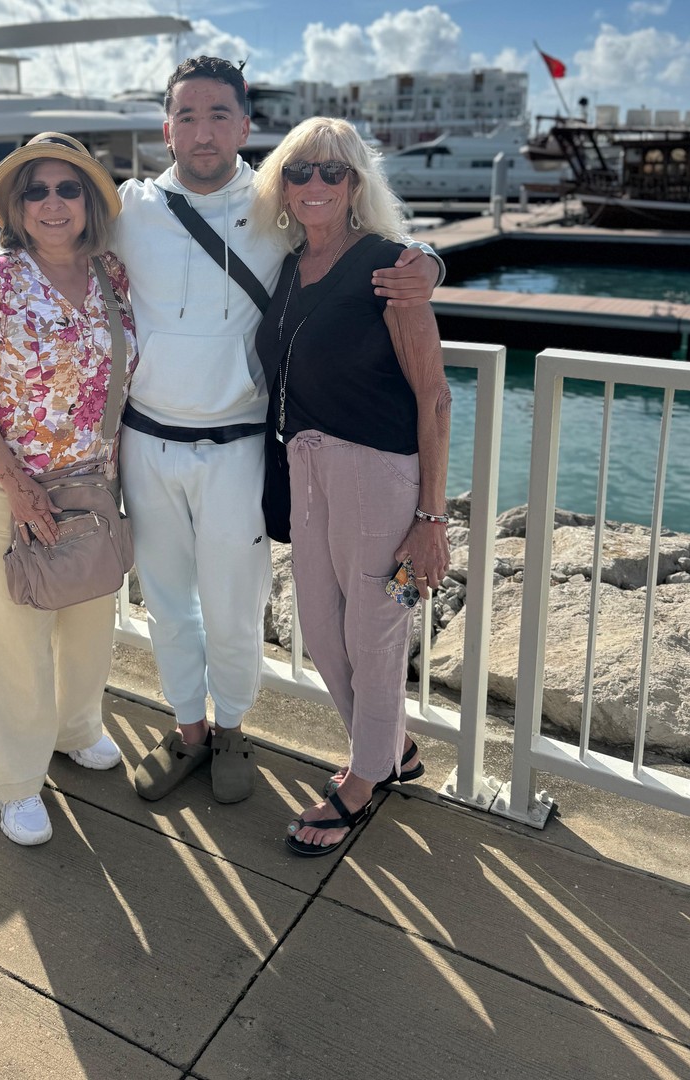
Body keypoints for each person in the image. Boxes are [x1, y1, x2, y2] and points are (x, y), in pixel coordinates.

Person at [0, 57, 444, 809]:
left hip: (240, 446)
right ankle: (188, 728)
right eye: (187, 116)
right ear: (166, 128)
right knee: (168, 604)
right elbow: (48, 241)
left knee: (237, 606)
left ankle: (234, 727)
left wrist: (429, 263)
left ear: (245, 126)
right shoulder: (131, 209)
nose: (203, 132)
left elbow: (357, 237)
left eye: (219, 116)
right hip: (145, 444)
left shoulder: (276, 203)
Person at [252, 117, 451, 856]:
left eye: (332, 171)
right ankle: (394, 748)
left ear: (355, 184)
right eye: (299, 171)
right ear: (281, 183)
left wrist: (432, 517)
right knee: (321, 625)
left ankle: (366, 777)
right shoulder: (287, 265)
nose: (315, 184)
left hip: (378, 472)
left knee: (375, 631)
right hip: (305, 466)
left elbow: (434, 396)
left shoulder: (389, 266)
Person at [0, 133, 138, 846]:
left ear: (89, 202)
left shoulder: (111, 272)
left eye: (68, 189)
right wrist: (16, 481)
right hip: (11, 483)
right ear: (17, 207)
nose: (53, 204)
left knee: (89, 610)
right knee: (13, 630)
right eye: (36, 191)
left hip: (92, 477)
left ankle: (75, 728)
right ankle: (17, 780)